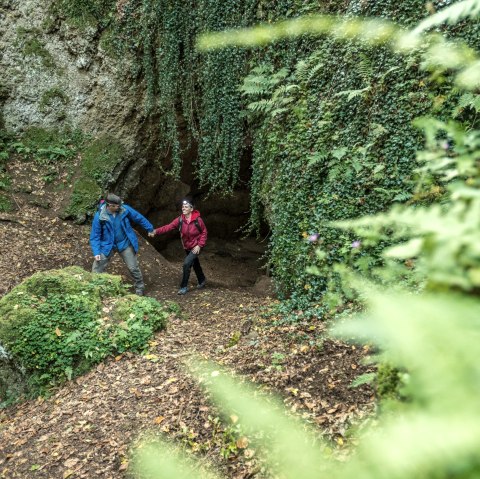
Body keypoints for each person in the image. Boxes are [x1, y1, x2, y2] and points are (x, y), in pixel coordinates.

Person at [90, 193, 154, 296]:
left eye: (119, 205)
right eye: (116, 206)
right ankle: (94, 288)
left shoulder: (124, 209)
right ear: (109, 205)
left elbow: (138, 217)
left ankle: (139, 288)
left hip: (124, 243)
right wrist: (96, 252)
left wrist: (149, 228)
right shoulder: (100, 216)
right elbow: (95, 236)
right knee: (97, 267)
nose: (119, 207)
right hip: (108, 245)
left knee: (133, 267)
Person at [149, 198, 207, 295]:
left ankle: (183, 286)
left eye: (186, 207)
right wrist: (155, 231)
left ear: (191, 209)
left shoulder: (198, 220)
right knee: (194, 263)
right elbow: (168, 227)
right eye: (183, 206)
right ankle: (202, 279)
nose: (183, 208)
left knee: (186, 264)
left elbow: (204, 232)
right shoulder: (180, 219)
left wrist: (199, 245)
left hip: (196, 246)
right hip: (187, 246)